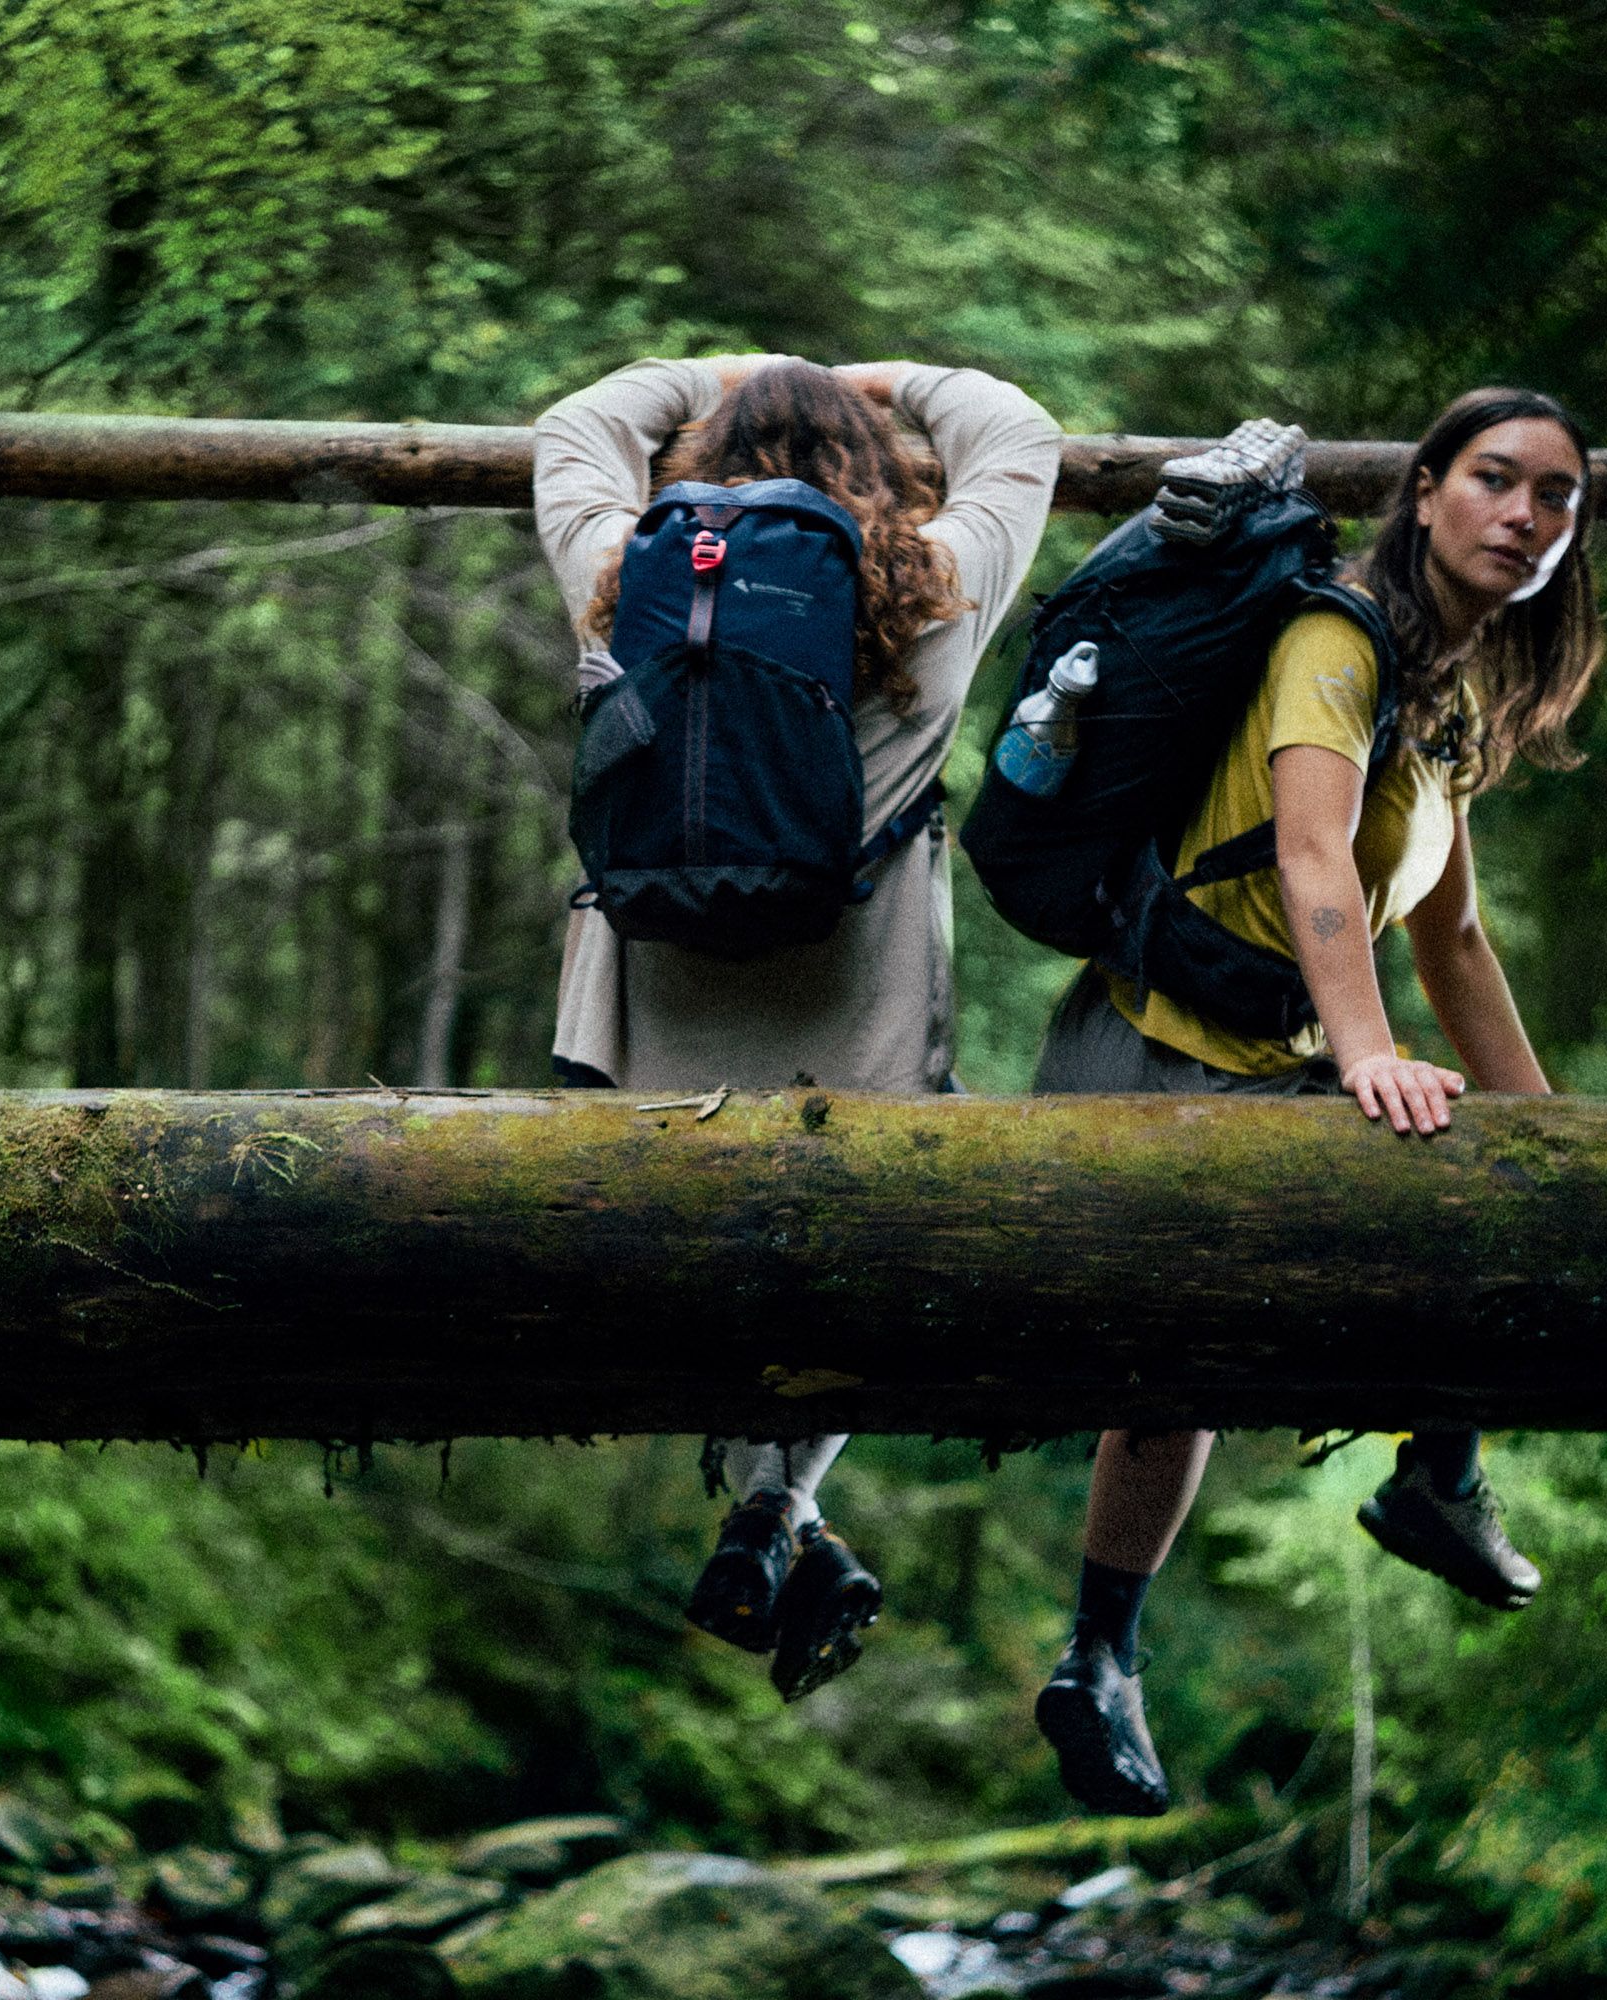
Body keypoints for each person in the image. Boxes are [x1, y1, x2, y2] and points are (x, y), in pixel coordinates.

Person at [1025, 388, 1607, 1815]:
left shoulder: (1449, 689)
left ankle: (1434, 1477)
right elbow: (1312, 858)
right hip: (1153, 1053)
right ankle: (1101, 1659)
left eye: (1557, 498)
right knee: (1188, 1361)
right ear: (1424, 491)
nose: (1525, 516)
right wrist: (1363, 1056)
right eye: (1494, 480)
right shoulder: (1331, 642)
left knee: (1470, 1200)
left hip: (1266, 1063)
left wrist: (1561, 1143)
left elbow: (1452, 936)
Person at [531, 353, 1062, 1700]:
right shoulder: (936, 583)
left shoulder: (623, 569)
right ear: (885, 478)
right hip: (854, 1002)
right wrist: (898, 377)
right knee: (853, 1275)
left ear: (699, 465)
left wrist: (709, 374)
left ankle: (784, 1519)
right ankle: (778, 1513)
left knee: (708, 1266)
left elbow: (579, 424)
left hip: (660, 996)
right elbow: (1018, 431)